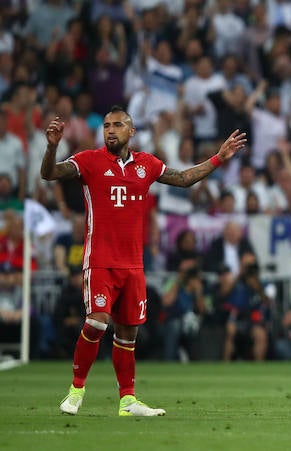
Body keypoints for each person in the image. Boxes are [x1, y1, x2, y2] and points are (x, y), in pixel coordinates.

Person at [42, 106, 246, 416]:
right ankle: (76, 390)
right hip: (100, 261)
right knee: (97, 320)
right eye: (106, 125)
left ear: (131, 131)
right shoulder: (89, 161)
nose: (110, 130)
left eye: (117, 125)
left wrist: (218, 158)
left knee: (128, 334)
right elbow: (50, 173)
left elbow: (183, 178)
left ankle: (128, 401)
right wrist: (53, 146)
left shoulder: (146, 164)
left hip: (133, 266)